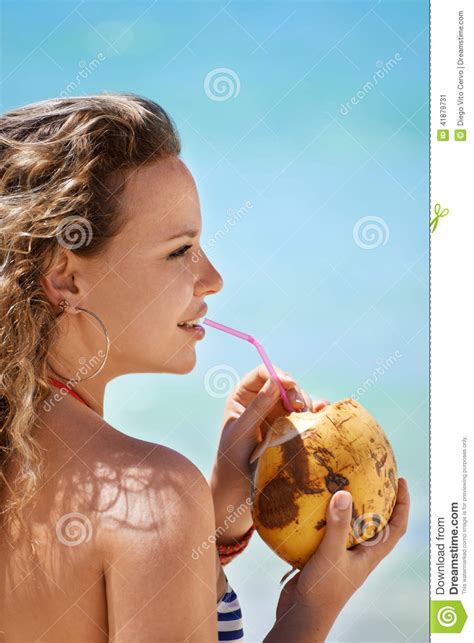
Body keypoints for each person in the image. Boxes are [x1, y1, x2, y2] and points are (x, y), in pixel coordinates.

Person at [0, 93, 410, 641]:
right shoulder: (149, 495)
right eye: (180, 251)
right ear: (65, 278)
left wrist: (217, 516)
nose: (212, 277)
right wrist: (310, 607)